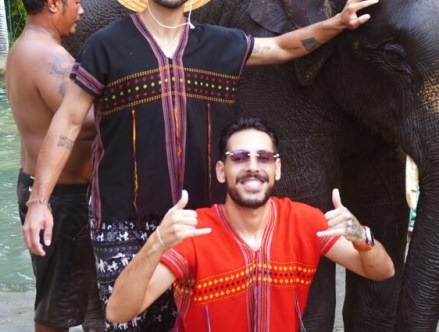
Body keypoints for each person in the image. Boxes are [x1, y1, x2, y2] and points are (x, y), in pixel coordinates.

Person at [23, 0, 379, 329]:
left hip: (198, 224)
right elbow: (68, 121)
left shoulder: (219, 45)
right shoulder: (105, 45)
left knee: (199, 320)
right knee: (125, 319)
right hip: (122, 225)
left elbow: (283, 47)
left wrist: (337, 22)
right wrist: (40, 201)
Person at [105, 117, 395, 331]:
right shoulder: (194, 231)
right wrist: (157, 242)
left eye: (264, 158)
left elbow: (383, 271)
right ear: (222, 171)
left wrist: (361, 236)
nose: (253, 166)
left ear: (277, 169)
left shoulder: (306, 222)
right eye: (240, 158)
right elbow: (118, 311)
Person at [5, 0, 104, 331]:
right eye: (75, 2)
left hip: (53, 192)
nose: (81, 10)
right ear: (52, 4)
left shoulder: (26, 46)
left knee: (74, 302)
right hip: (61, 199)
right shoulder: (50, 56)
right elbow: (85, 120)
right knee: (55, 311)